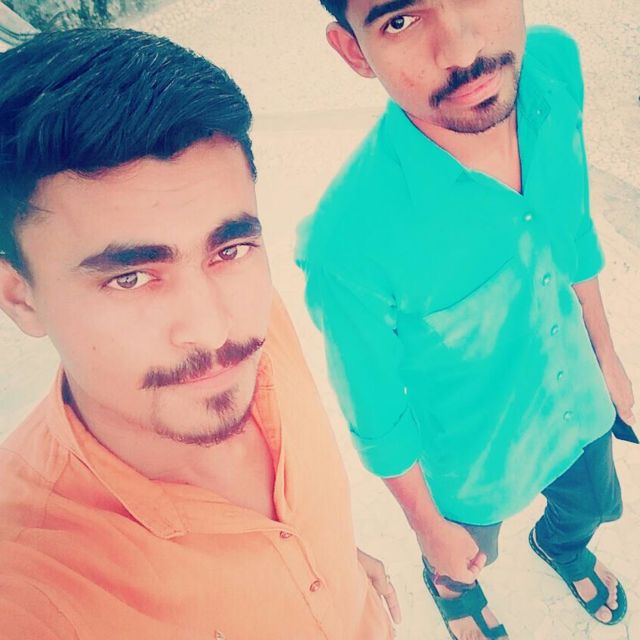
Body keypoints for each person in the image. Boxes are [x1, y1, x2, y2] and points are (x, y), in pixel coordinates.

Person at [0, 28, 400, 640]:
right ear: (19, 295)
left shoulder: (257, 321)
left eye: (229, 249)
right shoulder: (35, 588)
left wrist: (331, 558)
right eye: (131, 277)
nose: (213, 329)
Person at [296, 2, 636, 638]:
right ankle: (454, 594)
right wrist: (429, 528)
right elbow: (376, 413)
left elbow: (572, 226)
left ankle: (562, 549)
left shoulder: (550, 67)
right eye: (400, 20)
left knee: (591, 506)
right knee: (463, 558)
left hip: (579, 400)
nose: (461, 51)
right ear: (353, 50)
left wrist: (606, 354)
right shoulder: (347, 242)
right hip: (473, 462)